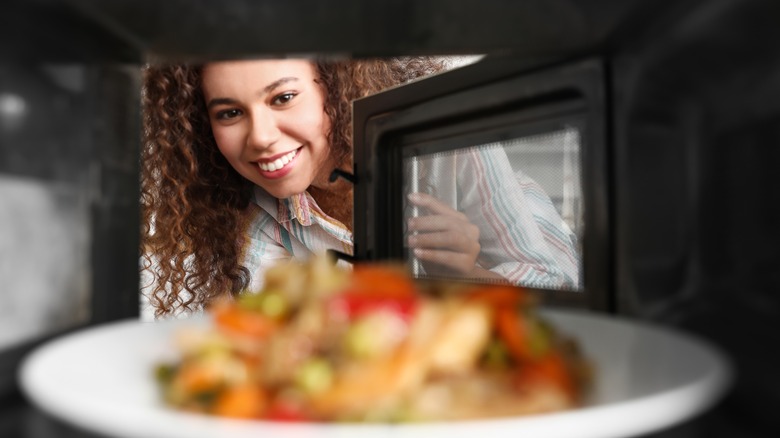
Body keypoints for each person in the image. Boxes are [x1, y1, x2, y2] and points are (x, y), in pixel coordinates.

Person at [141, 57, 578, 320]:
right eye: (231, 113)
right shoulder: (252, 214)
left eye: (283, 98)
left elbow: (557, 285)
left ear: (332, 86)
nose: (260, 137)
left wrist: (469, 275)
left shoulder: (448, 146)